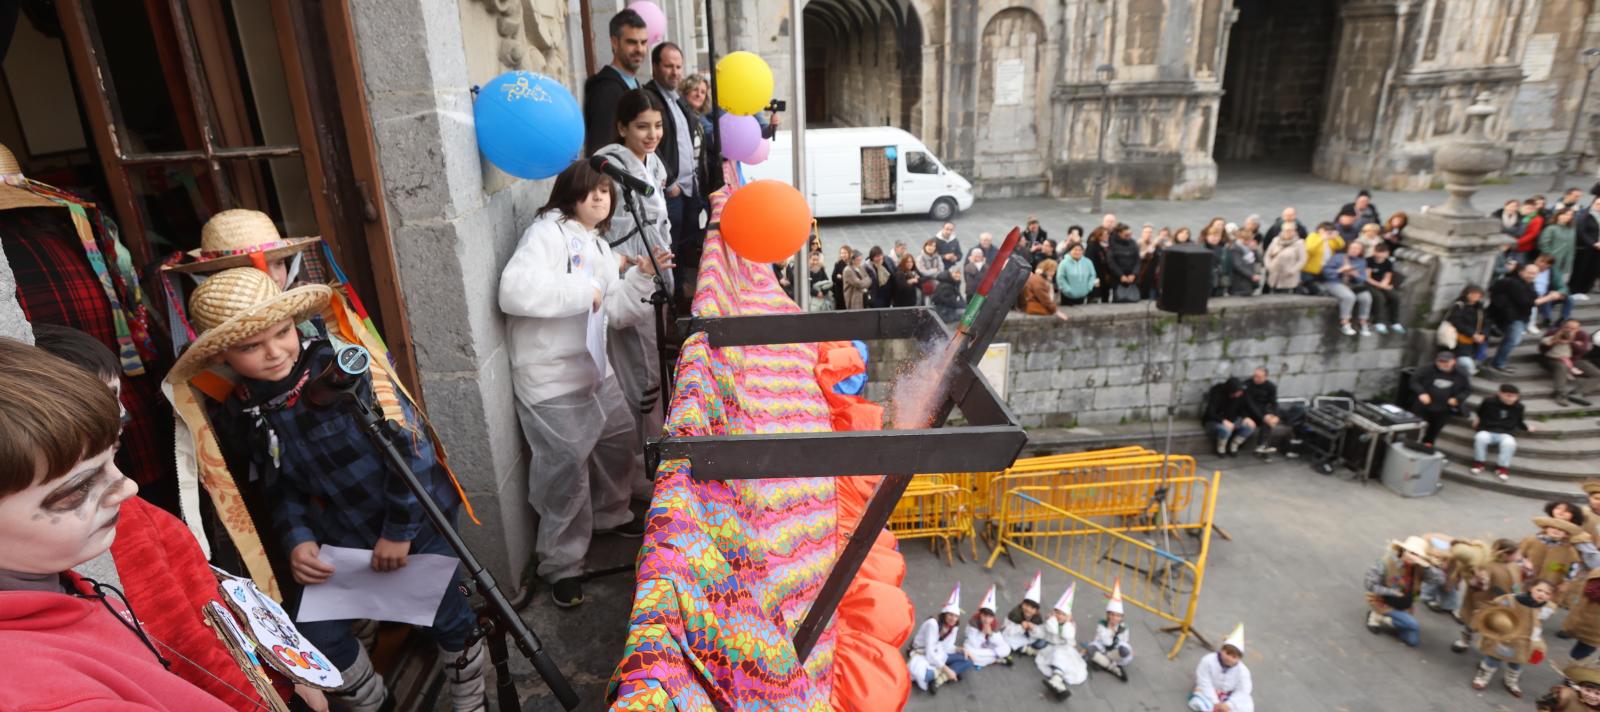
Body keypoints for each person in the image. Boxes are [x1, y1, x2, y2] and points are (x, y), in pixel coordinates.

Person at [170, 268, 485, 710]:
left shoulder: (343, 368)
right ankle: (374, 703)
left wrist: (399, 532)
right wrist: (297, 539)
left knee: (446, 617)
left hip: (416, 519)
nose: (274, 352)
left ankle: (471, 702)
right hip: (342, 532)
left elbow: (413, 451)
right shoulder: (244, 410)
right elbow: (279, 483)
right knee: (315, 632)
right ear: (223, 354)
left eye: (282, 333)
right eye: (250, 346)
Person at [0, 338, 265, 712]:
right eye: (79, 487)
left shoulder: (52, 580)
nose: (128, 486)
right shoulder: (52, 700)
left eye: (113, 457)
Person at [500, 160, 656, 608]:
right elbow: (513, 291)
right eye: (591, 190)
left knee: (618, 437)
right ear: (570, 194)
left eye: (606, 190)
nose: (601, 197)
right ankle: (561, 565)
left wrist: (642, 276)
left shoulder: (599, 245)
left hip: (593, 367)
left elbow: (616, 311)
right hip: (550, 375)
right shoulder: (545, 234)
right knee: (565, 470)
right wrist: (582, 291)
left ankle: (609, 513)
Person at [595, 89, 675, 482]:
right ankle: (641, 473)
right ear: (622, 127)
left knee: (656, 367)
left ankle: (657, 458)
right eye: (642, 126)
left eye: (657, 126)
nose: (652, 134)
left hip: (655, 271)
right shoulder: (609, 168)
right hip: (631, 278)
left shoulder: (653, 164)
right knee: (640, 374)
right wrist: (627, 265)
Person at [644, 43, 706, 299]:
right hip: (671, 191)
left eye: (678, 66)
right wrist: (670, 182)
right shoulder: (649, 97)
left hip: (689, 188)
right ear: (655, 67)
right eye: (669, 66)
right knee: (671, 246)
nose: (675, 72)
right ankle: (674, 297)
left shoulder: (676, 98)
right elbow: (651, 144)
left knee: (685, 245)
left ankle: (681, 292)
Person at [1471, 578, 1557, 698]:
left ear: (1551, 596)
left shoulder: (1548, 607)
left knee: (1517, 663)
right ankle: (1482, 678)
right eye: (1539, 590)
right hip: (1506, 637)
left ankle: (1511, 681)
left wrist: (1537, 641)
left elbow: (1539, 622)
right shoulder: (1513, 600)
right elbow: (1495, 607)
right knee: (1494, 657)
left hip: (1524, 641)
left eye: (1547, 593)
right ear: (1531, 588)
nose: (1542, 594)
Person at [583, 10, 648, 155]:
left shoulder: (633, 83)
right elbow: (602, 150)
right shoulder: (605, 89)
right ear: (615, 42)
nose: (639, 49)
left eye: (643, 42)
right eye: (632, 42)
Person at [1363, 536, 1446, 647]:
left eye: (1417, 555)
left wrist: (1426, 565)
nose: (1413, 557)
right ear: (1404, 550)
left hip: (1405, 606)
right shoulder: (1385, 562)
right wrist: (1392, 592)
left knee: (1412, 641)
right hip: (1384, 601)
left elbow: (1440, 580)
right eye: (1411, 553)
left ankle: (1387, 619)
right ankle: (1377, 615)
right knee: (1413, 625)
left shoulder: (1419, 567)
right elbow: (1369, 584)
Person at [907, 584, 973, 694]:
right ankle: (944, 675)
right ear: (944, 614)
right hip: (922, 653)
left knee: (968, 661)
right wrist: (947, 669)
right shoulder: (932, 624)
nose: (953, 619)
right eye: (950, 615)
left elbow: (947, 647)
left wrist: (960, 649)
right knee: (921, 674)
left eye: (956, 616)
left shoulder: (954, 627)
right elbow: (929, 653)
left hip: (939, 652)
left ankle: (940, 678)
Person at [1486, 264, 1550, 374]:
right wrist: (1548, 298)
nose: (1532, 276)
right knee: (1513, 340)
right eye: (1529, 273)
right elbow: (1526, 302)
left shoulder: (1529, 284)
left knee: (1512, 340)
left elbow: (1532, 297)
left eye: (1534, 273)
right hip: (1512, 317)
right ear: (1521, 272)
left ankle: (1499, 361)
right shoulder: (1514, 283)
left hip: (1520, 316)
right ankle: (1499, 363)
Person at [1036, 582, 1087, 700]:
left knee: (1067, 663)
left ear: (1068, 617)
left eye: (1063, 614)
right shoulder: (1051, 623)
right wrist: (1035, 628)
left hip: (1066, 649)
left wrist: (1065, 624)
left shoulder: (1069, 627)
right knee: (1058, 657)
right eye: (1057, 613)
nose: (1059, 616)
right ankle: (1058, 685)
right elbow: (1046, 631)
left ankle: (1057, 683)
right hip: (1052, 648)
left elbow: (1068, 637)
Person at [1410, 350, 1472, 448]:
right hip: (1423, 406)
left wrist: (1457, 399)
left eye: (1446, 362)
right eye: (1440, 361)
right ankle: (1411, 443)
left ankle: (1427, 445)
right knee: (1415, 427)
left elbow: (1467, 390)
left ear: (1453, 361)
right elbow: (1414, 381)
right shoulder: (1427, 368)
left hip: (1443, 408)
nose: (1443, 364)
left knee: (1434, 430)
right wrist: (1421, 393)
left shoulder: (1461, 373)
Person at [1471, 384, 1532, 481]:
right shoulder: (1489, 402)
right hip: (1487, 429)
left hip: (1506, 433)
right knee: (1480, 438)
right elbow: (1480, 411)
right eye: (1508, 395)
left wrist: (1526, 427)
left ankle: (1502, 467)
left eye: (1515, 396)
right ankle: (1479, 463)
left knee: (1510, 443)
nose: (1511, 399)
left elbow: (1519, 421)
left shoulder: (1519, 407)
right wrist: (1478, 419)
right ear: (1500, 393)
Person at [1188, 624, 1253, 712]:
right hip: (1210, 690)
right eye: (1227, 653)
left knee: (1246, 706)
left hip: (1229, 694)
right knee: (1198, 701)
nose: (1229, 658)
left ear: (1239, 659)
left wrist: (1229, 704)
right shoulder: (1208, 660)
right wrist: (1215, 702)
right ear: (1222, 650)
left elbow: (1244, 689)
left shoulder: (1243, 671)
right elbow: (1204, 680)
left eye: (1234, 657)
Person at [1541, 319, 1599, 407]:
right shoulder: (1553, 332)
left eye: (1573, 328)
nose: (1569, 330)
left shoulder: (1582, 335)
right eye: (1567, 327)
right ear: (1562, 326)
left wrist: (1571, 342)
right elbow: (1542, 349)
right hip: (1553, 358)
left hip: (1574, 359)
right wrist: (1555, 340)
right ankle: (1560, 394)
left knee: (1596, 374)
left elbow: (1582, 351)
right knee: (1562, 366)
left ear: (1578, 329)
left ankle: (1578, 393)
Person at [1322, 241, 1373, 336]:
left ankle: (1363, 322)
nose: (1354, 250)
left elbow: (1363, 278)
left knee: (1366, 297)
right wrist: (1340, 270)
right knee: (1349, 297)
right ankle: (1345, 323)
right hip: (1335, 282)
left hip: (1353, 285)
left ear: (1361, 251)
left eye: (1357, 249)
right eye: (1352, 248)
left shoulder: (1361, 261)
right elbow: (1326, 272)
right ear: (1348, 248)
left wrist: (1355, 275)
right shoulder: (1337, 257)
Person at [1087, 579, 1133, 681]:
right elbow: (1107, 642)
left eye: (1117, 616)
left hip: (1115, 650)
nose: (1114, 618)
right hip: (1103, 646)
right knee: (1090, 649)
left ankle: (1103, 662)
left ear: (1121, 617)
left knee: (1125, 650)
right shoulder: (1102, 625)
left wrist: (1118, 642)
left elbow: (1124, 640)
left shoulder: (1124, 627)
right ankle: (1112, 667)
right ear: (1108, 615)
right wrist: (1110, 629)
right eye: (1112, 614)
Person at [1202, 377, 1256, 457]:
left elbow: (1242, 409)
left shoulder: (1240, 396)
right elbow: (1210, 413)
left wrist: (1246, 417)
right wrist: (1223, 421)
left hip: (1232, 419)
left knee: (1250, 426)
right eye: (1238, 391)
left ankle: (1234, 445)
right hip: (1215, 420)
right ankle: (1221, 448)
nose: (1241, 393)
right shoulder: (1217, 394)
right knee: (1226, 430)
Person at [963, 584, 1014, 668]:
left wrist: (991, 634)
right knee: (968, 650)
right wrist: (982, 633)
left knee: (1006, 648)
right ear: (980, 614)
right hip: (976, 645)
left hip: (988, 647)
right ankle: (996, 659)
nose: (987, 620)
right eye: (984, 616)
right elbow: (974, 643)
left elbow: (1000, 641)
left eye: (990, 617)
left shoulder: (994, 623)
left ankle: (987, 659)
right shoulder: (974, 622)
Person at [1442, 284, 1489, 374]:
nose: (1476, 296)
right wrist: (1472, 334)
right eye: (1474, 294)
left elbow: (1486, 323)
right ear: (1467, 294)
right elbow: (1456, 322)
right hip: (1460, 339)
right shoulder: (1459, 306)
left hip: (1476, 340)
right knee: (1465, 362)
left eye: (1478, 294)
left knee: (1476, 359)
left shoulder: (1479, 308)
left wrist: (1483, 334)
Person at [1002, 572, 1048, 656]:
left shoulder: (1037, 617)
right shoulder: (1015, 613)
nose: (1028, 609)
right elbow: (1008, 630)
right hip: (1016, 635)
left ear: (1036, 611)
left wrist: (1033, 628)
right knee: (1004, 638)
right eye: (1026, 605)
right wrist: (1021, 627)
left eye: (1032, 608)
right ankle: (1025, 649)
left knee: (1041, 642)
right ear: (1022, 604)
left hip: (1029, 637)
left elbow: (1041, 633)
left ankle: (1023, 648)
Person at [1365, 242, 1404, 334]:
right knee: (1379, 297)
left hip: (1382, 284)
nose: (1380, 256)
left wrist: (1384, 284)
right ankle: (1378, 322)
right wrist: (1380, 286)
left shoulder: (1388, 262)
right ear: (1374, 252)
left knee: (1395, 297)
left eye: (1383, 253)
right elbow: (1367, 277)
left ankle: (1394, 322)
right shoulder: (1369, 261)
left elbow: (1387, 276)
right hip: (1370, 284)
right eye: (1379, 253)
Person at [1242, 368, 1280, 458]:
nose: (1255, 378)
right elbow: (1249, 404)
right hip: (1247, 412)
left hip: (1262, 411)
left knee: (1269, 421)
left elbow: (1274, 402)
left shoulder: (1271, 387)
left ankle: (1262, 445)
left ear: (1265, 377)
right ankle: (1263, 447)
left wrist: (1275, 415)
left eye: (1259, 377)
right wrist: (1263, 417)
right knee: (1267, 420)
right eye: (1255, 376)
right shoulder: (1247, 385)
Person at [1535, 662, 1600, 711]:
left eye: (1597, 693)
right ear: (1580, 687)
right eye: (1588, 690)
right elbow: (1544, 705)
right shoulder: (1566, 695)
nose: (1591, 695)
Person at [1263, 224, 1306, 294]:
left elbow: (1302, 259)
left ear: (1294, 231)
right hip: (1274, 275)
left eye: (1290, 231)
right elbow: (1267, 255)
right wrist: (1269, 266)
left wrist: (1292, 270)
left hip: (1288, 277)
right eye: (1286, 230)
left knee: (1285, 296)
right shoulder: (1275, 240)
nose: (1288, 233)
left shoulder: (1299, 243)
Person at [1303, 221, 1346, 286]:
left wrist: (1336, 237)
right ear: (1320, 230)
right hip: (1311, 270)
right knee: (1312, 286)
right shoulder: (1313, 236)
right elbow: (1309, 249)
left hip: (1324, 268)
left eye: (1330, 231)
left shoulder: (1331, 239)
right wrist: (1321, 239)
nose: (1327, 232)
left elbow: (1341, 245)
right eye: (1326, 230)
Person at [1573, 195, 1600, 298]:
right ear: (1593, 203)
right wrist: (1593, 243)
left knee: (1593, 270)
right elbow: (1581, 232)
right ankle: (1576, 290)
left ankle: (1585, 290)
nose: (1599, 206)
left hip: (1597, 248)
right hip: (1585, 248)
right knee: (1581, 270)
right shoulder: (1584, 215)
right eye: (1598, 204)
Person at [1056, 242, 1098, 306]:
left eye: (1080, 250)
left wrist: (1089, 287)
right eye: (1075, 250)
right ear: (1070, 251)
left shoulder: (1088, 262)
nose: (1077, 252)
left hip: (1083, 294)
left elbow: (1092, 275)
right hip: (1067, 295)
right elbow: (1060, 277)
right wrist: (1067, 290)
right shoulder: (1064, 263)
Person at [1108, 223, 1142, 302]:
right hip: (1118, 278)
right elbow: (1111, 262)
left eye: (1130, 234)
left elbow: (1137, 260)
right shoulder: (1112, 244)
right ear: (1119, 233)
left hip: (1132, 277)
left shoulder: (1132, 242)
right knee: (1119, 298)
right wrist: (1121, 275)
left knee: (1133, 298)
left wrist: (1134, 274)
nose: (1129, 236)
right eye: (1126, 235)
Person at [1225, 228, 1261, 297]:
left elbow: (1258, 261)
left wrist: (1255, 250)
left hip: (1249, 280)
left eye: (1249, 239)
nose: (1247, 242)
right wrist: (1251, 275)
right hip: (1239, 281)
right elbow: (1238, 265)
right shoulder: (1235, 248)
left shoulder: (1250, 248)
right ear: (1239, 238)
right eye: (1245, 239)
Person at [831, 245, 851, 311]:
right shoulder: (838, 264)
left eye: (845, 253)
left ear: (849, 253)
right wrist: (840, 278)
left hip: (850, 292)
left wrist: (841, 277)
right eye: (842, 253)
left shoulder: (851, 264)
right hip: (840, 292)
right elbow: (833, 277)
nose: (843, 255)